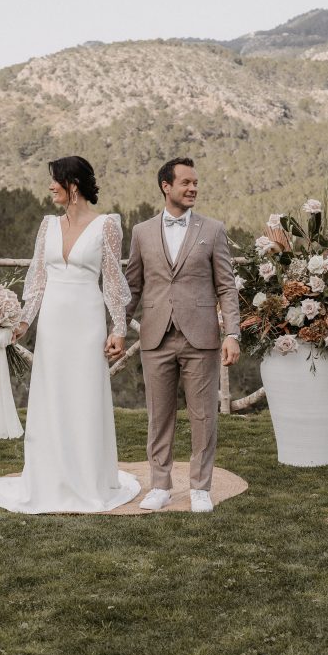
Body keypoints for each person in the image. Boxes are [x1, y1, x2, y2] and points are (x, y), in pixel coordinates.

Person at [0, 156, 140, 513]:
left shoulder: (106, 226)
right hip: (52, 323)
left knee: (84, 395)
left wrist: (119, 329)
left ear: (73, 185)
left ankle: (87, 478)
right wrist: (22, 323)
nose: (50, 187)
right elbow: (37, 280)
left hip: (87, 320)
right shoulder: (47, 225)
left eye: (55, 181)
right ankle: (49, 476)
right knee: (50, 394)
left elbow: (112, 282)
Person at [122, 157, 240, 513]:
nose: (193, 189)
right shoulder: (142, 232)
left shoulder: (213, 230)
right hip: (155, 336)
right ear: (166, 186)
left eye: (195, 183)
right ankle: (160, 485)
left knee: (203, 414)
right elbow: (133, 285)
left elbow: (227, 286)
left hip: (201, 336)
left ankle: (200, 487)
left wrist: (232, 332)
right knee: (159, 415)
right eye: (186, 183)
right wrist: (117, 328)